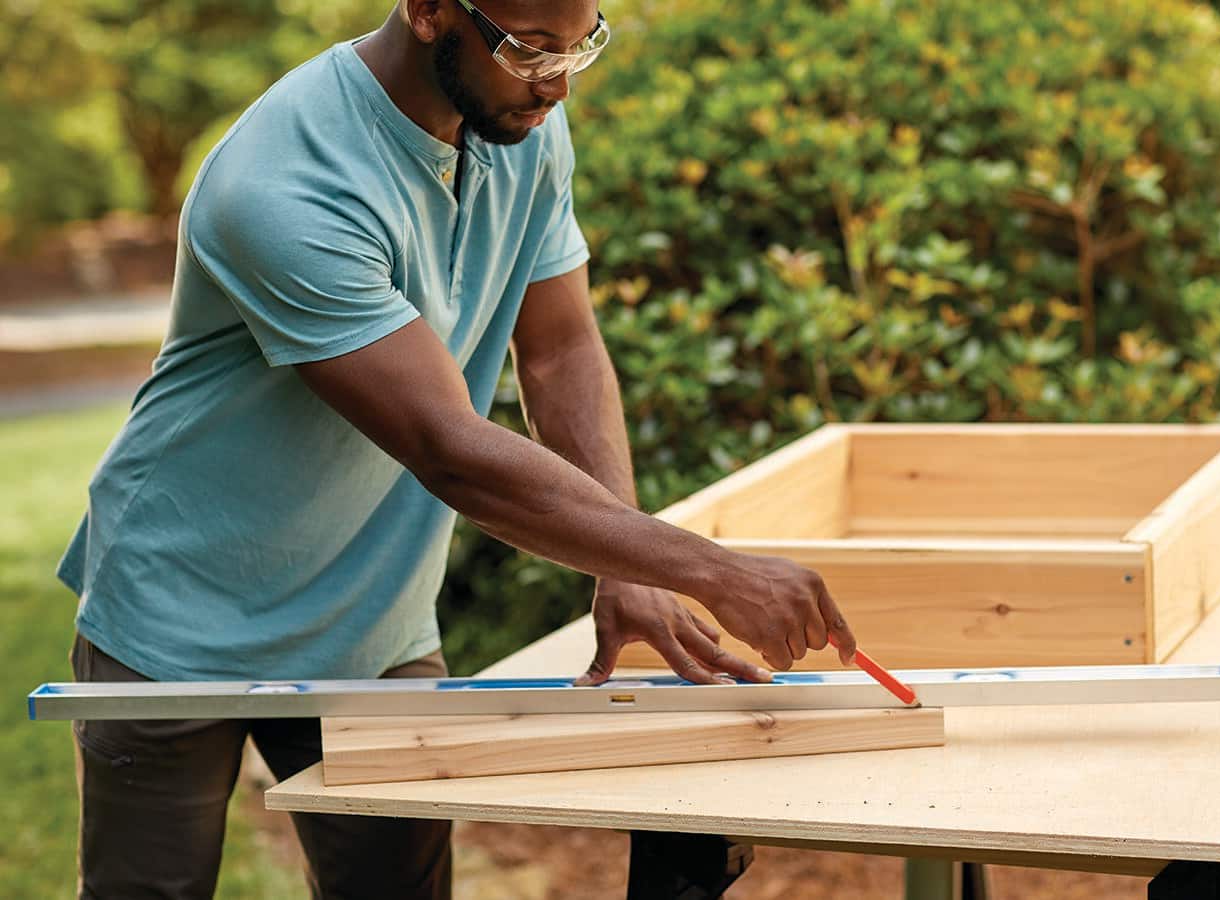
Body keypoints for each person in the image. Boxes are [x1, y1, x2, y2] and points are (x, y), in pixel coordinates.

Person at [56, 0, 858, 897]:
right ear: (430, 9)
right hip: (181, 607)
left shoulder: (521, 125)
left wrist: (628, 567)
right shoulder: (282, 182)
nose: (555, 82)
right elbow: (450, 450)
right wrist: (708, 569)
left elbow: (558, 349)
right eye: (527, 49)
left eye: (578, 45)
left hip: (375, 615)